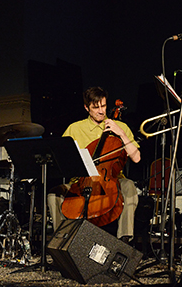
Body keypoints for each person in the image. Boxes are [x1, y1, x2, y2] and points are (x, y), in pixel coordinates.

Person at [47, 86, 140, 242]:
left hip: (113, 181)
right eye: (95, 107)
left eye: (103, 106)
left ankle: (124, 241)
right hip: (80, 182)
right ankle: (63, 241)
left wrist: (121, 133)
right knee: (53, 194)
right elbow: (61, 160)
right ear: (86, 107)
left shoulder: (120, 127)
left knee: (129, 186)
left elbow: (136, 157)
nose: (101, 111)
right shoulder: (74, 128)